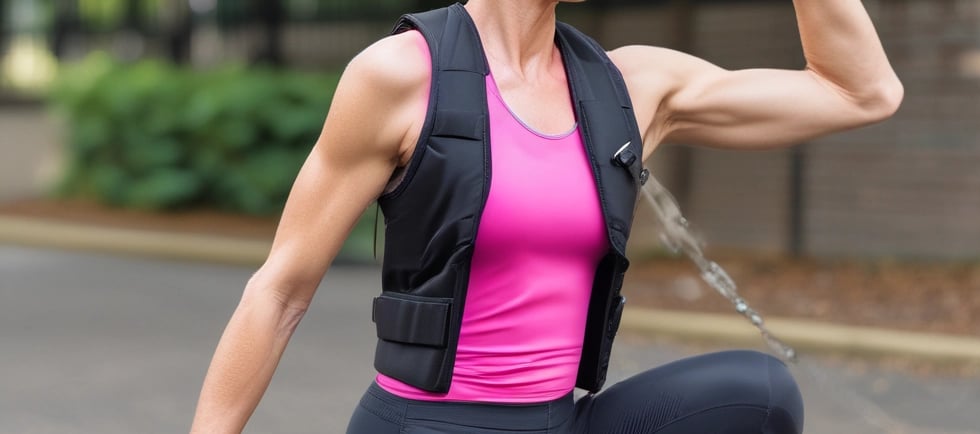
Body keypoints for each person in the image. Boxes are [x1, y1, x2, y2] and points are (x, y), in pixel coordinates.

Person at [190, 0, 902, 433]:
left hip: (563, 420)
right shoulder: (400, 75)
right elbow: (279, 290)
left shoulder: (629, 86)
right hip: (431, 425)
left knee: (760, 394)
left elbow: (860, 92)